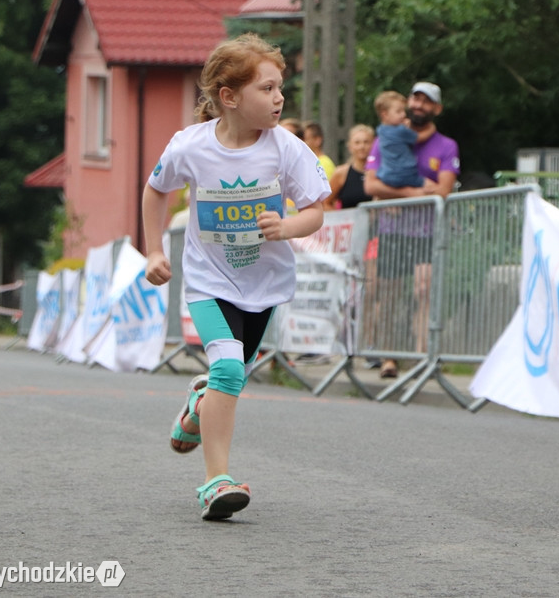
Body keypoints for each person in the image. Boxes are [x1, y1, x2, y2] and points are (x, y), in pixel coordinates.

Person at [142, 33, 330, 520]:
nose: (279, 98)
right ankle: (215, 481)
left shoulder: (285, 149)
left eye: (280, 88)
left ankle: (200, 402)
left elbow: (315, 210)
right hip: (207, 282)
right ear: (229, 97)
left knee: (230, 376)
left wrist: (286, 226)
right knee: (228, 368)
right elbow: (155, 189)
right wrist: (152, 251)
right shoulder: (191, 146)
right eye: (266, 89)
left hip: (262, 285)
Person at [363, 81, 461, 378]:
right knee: (390, 295)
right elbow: (371, 184)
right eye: (415, 100)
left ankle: (421, 357)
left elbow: (443, 190)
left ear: (437, 109)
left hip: (427, 231)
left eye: (426, 102)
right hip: (392, 229)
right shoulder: (386, 137)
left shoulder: (446, 146)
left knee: (423, 289)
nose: (419, 106)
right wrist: (412, 194)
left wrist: (395, 192)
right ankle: (390, 358)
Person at [373, 90, 428, 190]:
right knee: (432, 187)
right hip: (406, 174)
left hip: (387, 176)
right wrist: (431, 129)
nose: (403, 115)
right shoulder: (401, 130)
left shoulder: (381, 130)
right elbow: (420, 137)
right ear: (385, 115)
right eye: (398, 111)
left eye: (403, 111)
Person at [325, 124, 374, 211]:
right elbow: (325, 203)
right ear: (350, 146)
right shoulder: (341, 173)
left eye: (366, 142)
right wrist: (341, 219)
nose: (362, 147)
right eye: (357, 143)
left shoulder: (381, 172)